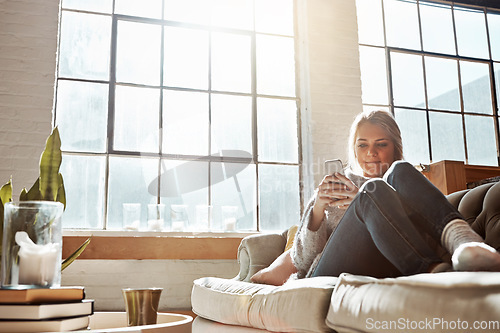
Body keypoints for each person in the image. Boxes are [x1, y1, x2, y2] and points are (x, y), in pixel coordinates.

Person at [290, 109, 500, 280]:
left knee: (399, 171)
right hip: (327, 272)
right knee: (374, 191)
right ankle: (431, 273)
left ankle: (465, 242)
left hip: (390, 265)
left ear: (395, 147)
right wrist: (318, 209)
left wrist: (373, 208)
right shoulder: (333, 188)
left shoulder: (408, 184)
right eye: (363, 145)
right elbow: (301, 261)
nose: (371, 152)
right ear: (354, 149)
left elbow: (418, 239)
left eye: (381, 144)